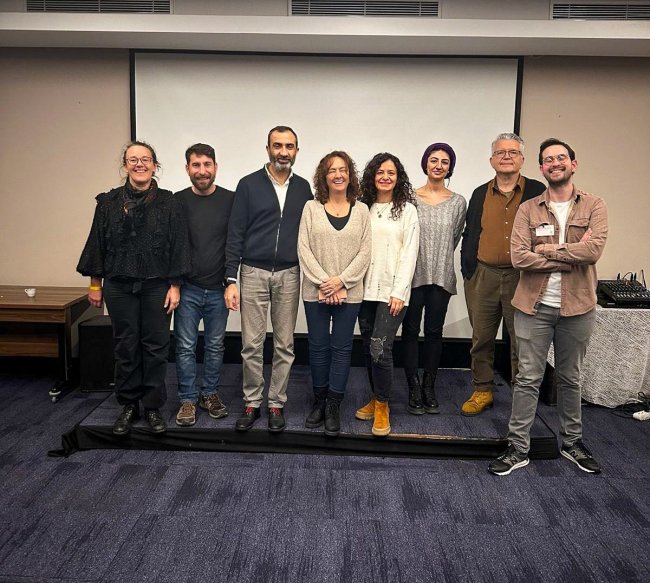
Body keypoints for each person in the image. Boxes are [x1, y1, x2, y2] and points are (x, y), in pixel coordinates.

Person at [488, 138, 608, 475]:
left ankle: (572, 443)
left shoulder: (594, 205)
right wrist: (570, 254)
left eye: (561, 158)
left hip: (578, 307)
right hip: (533, 306)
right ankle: (518, 448)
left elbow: (593, 252)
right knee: (527, 378)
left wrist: (546, 250)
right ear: (541, 168)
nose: (555, 163)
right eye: (548, 159)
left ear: (573, 164)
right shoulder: (528, 209)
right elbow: (519, 258)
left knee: (570, 378)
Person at [77, 141, 191, 436]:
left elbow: (179, 245)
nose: (139, 164)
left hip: (157, 285)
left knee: (155, 346)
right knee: (125, 346)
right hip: (118, 285)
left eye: (145, 159)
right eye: (133, 159)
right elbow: (97, 243)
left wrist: (175, 285)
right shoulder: (108, 203)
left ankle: (152, 406)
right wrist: (95, 284)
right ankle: (129, 405)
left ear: (155, 165)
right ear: (125, 165)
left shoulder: (170, 203)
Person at [224, 126, 313, 433]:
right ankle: (252, 402)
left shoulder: (303, 188)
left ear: (296, 151)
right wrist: (230, 278)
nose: (283, 152)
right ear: (268, 149)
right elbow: (235, 232)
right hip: (252, 272)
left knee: (285, 344)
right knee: (251, 344)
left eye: (289, 146)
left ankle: (276, 402)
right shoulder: (248, 184)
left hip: (290, 273)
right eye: (277, 146)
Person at [460, 133, 546, 416]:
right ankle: (482, 390)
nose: (506, 157)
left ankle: (521, 398)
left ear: (522, 159)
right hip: (483, 276)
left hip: (522, 277)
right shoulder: (479, 193)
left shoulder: (537, 191)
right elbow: (471, 232)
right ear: (491, 160)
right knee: (481, 338)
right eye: (500, 152)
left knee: (521, 341)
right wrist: (469, 271)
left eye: (512, 152)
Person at [298, 151, 371, 436]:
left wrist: (341, 281)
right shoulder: (310, 208)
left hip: (349, 292)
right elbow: (303, 248)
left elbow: (365, 253)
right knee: (317, 347)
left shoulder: (362, 210)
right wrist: (324, 283)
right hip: (314, 290)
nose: (338, 175)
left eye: (343, 170)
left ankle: (333, 405)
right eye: (332, 170)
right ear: (324, 177)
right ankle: (319, 400)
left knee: (342, 348)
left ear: (350, 175)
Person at [355, 153, 419, 437]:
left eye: (391, 173)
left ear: (398, 177)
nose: (385, 177)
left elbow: (409, 253)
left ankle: (383, 405)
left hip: (392, 292)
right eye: (380, 172)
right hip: (363, 290)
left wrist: (399, 291)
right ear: (372, 176)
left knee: (380, 348)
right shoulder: (361, 208)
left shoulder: (406, 210)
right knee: (368, 348)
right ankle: (375, 397)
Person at [401, 143, 467, 415]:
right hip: (412, 275)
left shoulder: (458, 202)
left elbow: (454, 237)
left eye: (444, 161)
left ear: (450, 167)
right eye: (433, 160)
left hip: (441, 275)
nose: (438, 165)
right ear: (425, 164)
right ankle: (413, 386)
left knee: (434, 332)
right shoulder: (409, 199)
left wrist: (437, 258)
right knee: (409, 331)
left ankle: (429, 386)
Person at [174, 143, 235, 427]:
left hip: (218, 289)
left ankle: (209, 394)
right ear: (187, 169)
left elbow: (235, 243)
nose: (202, 171)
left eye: (207, 164)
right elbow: (172, 246)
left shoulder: (230, 200)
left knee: (215, 346)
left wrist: (231, 281)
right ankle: (187, 399)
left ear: (216, 167)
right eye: (196, 165)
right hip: (187, 289)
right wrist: (174, 284)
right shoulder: (176, 202)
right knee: (185, 346)